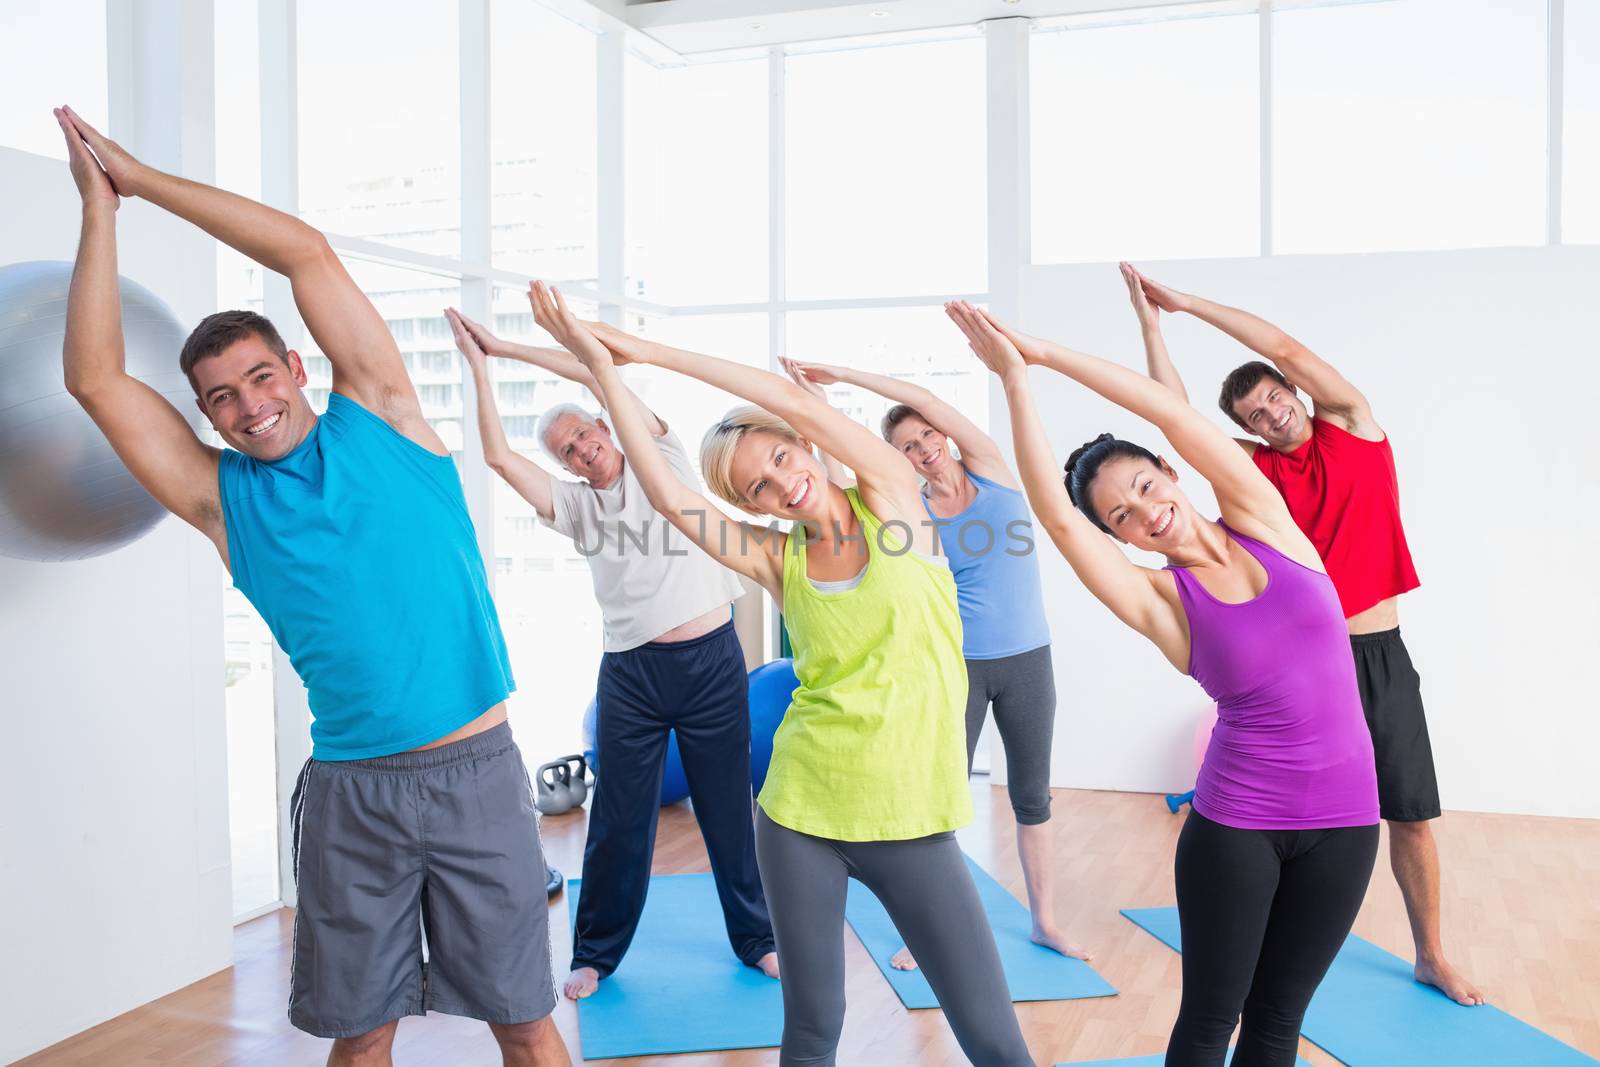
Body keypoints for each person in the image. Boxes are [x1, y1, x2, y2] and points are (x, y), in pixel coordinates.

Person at [54, 107, 567, 1067]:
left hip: (477, 772)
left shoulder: (383, 414)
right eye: (223, 396)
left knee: (525, 1019)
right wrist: (100, 211)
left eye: (261, 376)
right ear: (205, 413)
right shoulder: (219, 500)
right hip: (353, 791)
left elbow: (306, 253)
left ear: (298, 368)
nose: (252, 405)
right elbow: (94, 379)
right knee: (359, 1028)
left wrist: (141, 178)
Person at [528, 282, 1034, 1067]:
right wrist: (597, 367)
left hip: (911, 816)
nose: (780, 482)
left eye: (780, 457)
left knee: (994, 1036)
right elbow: (665, 492)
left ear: (801, 443)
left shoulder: (893, 502)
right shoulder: (778, 558)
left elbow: (768, 395)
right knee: (810, 1027)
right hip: (801, 811)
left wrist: (637, 353)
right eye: (755, 486)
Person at [948, 299, 1379, 1067]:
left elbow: (1166, 411)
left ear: (1172, 472)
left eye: (1147, 484)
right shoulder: (1161, 602)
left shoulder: (1266, 518)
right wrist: (1015, 382)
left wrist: (1043, 349)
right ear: (1116, 535)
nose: (1148, 510)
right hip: (1237, 827)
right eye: (1122, 513)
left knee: (1280, 1022)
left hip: (1346, 822)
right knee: (1212, 1019)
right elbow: (1056, 513)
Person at [1122, 262, 1481, 1006]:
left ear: (1294, 392)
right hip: (1306, 668)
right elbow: (1174, 420)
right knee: (1294, 824)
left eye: (1274, 398)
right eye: (1253, 415)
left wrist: (1187, 303)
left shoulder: (1354, 425)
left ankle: (1431, 953)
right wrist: (1153, 328)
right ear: (1248, 431)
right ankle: (1264, 947)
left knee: (1410, 813)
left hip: (1379, 655)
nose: (1270, 415)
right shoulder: (1256, 479)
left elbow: (1282, 342)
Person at [443, 304, 777, 1001]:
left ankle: (758, 939)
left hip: (712, 661)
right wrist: (480, 368)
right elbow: (500, 457)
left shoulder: (664, 455)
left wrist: (508, 344)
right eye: (565, 451)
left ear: (604, 424)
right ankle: (595, 953)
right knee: (618, 820)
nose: (580, 450)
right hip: (631, 674)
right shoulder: (577, 507)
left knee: (727, 811)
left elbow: (598, 372)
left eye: (583, 434)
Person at [777, 357, 1087, 969]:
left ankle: (1045, 920)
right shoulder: (907, 510)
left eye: (926, 438)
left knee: (1033, 796)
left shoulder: (994, 472)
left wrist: (850, 375)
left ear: (943, 436)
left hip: (1029, 660)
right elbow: (841, 488)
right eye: (907, 449)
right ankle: (925, 930)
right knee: (936, 798)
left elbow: (924, 397)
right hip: (955, 668)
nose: (923, 451)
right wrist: (815, 407)